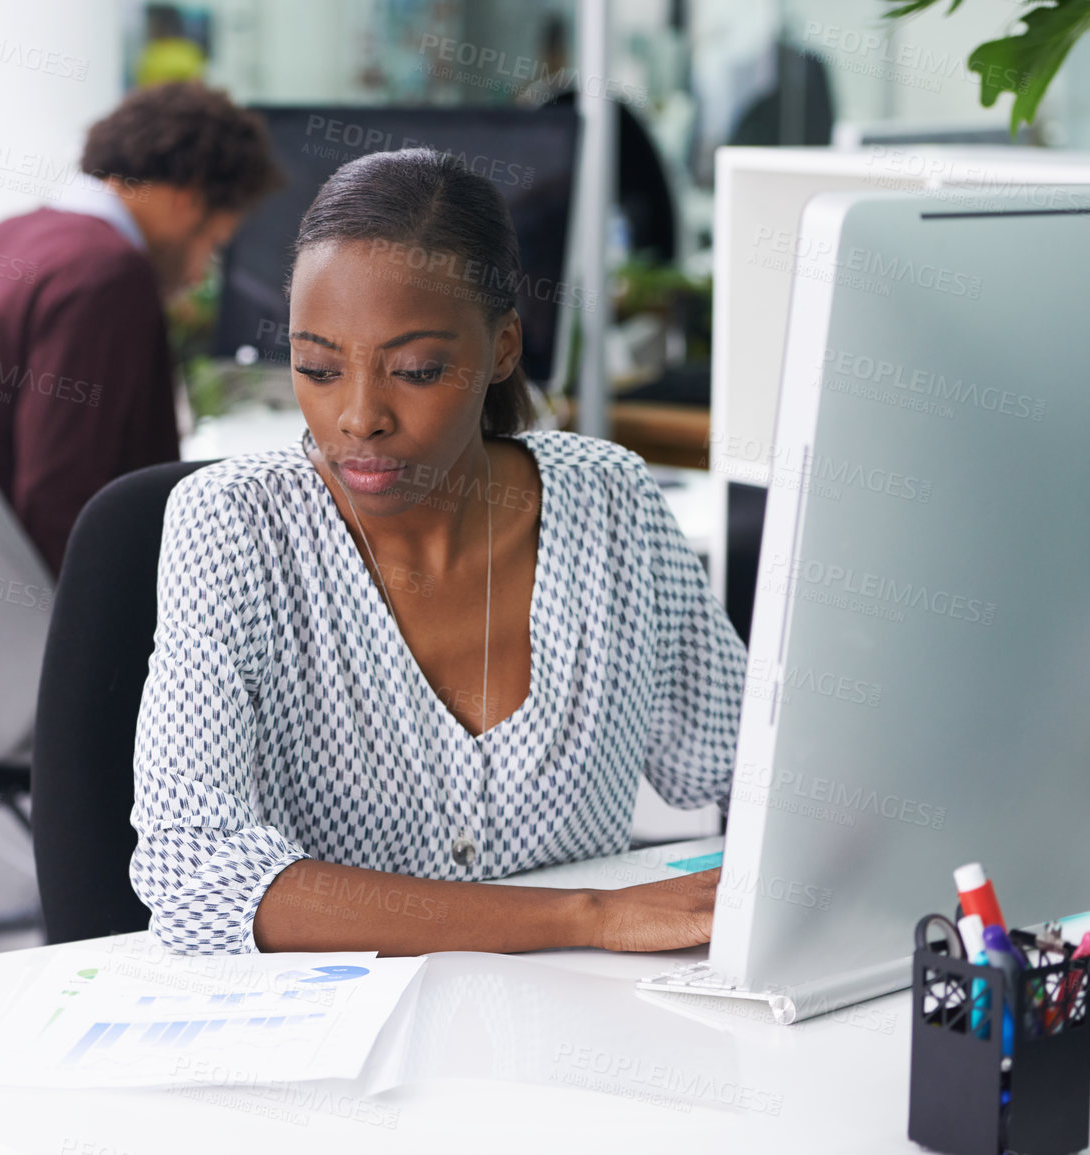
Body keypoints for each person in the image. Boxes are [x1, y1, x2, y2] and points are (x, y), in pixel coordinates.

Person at [130, 148, 747, 957]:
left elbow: (750, 767)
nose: (357, 416)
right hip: (340, 1051)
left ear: (500, 350)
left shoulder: (609, 501)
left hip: (579, 1030)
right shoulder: (234, 526)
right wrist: (586, 916)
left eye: (415, 370)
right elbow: (193, 872)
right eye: (316, 367)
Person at [0, 82, 281, 573]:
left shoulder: (2, 239)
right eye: (211, 245)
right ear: (188, 200)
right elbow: (65, 500)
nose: (196, 277)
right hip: (48, 609)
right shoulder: (106, 273)